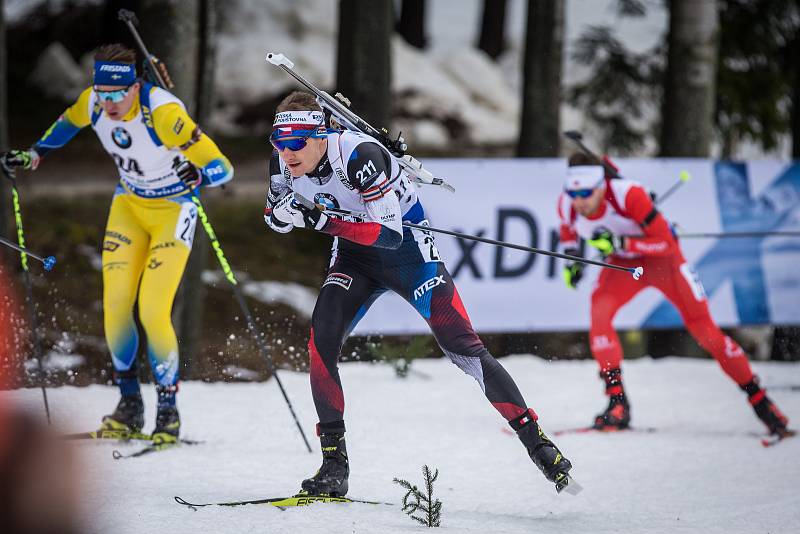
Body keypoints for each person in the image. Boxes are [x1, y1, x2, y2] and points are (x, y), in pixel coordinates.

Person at [263, 91, 573, 497]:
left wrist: (318, 220)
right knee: (321, 343)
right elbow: (276, 219)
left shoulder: (360, 156)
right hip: (355, 259)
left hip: (408, 254)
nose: (287, 154)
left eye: (296, 143)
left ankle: (537, 444)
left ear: (321, 134)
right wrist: (283, 215)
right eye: (278, 143)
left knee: (463, 348)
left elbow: (389, 236)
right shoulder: (283, 163)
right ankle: (334, 466)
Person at [1, 44, 233, 444]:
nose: (108, 103)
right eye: (102, 92)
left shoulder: (163, 112)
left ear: (134, 86)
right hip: (128, 205)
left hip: (173, 211)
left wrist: (196, 176)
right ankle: (129, 406)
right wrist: (34, 155)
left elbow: (222, 168)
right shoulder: (93, 101)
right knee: (115, 305)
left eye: (117, 94)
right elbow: (68, 123)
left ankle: (168, 411)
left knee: (153, 309)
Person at [558, 152, 790, 435]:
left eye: (585, 192)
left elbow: (665, 244)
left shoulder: (629, 195)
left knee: (705, 330)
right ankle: (617, 404)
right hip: (623, 264)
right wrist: (572, 261)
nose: (579, 200)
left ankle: (761, 401)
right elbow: (568, 231)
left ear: (600, 186)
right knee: (599, 312)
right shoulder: (567, 204)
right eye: (573, 192)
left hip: (663, 263)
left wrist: (623, 241)